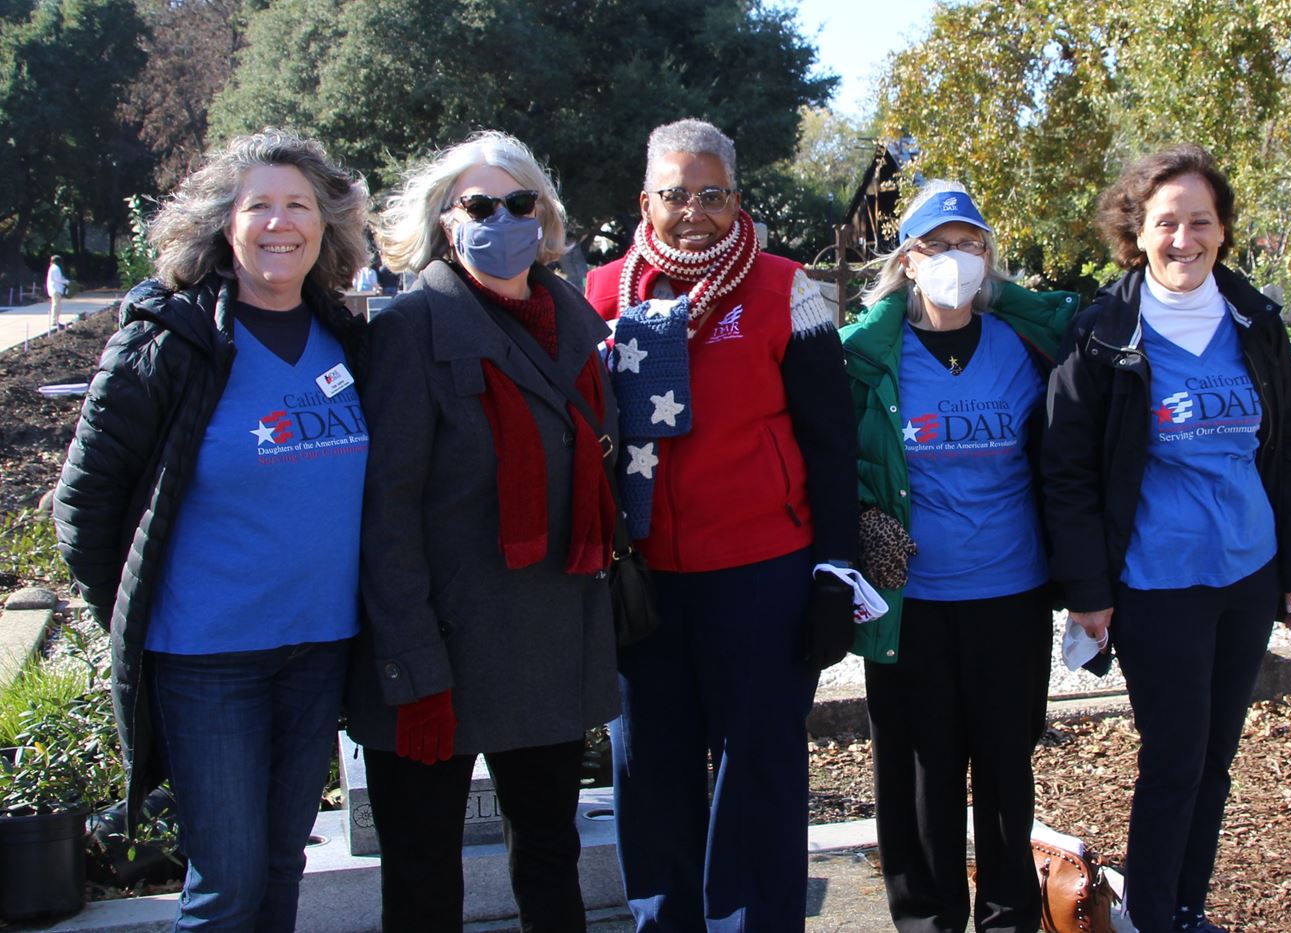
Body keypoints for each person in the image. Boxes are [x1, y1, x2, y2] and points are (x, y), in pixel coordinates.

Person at [52, 129, 371, 931]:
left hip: (318, 649)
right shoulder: (168, 341)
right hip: (207, 659)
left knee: (278, 867)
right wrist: (140, 611)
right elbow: (84, 507)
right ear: (223, 225)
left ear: (325, 224)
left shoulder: (350, 338)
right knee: (225, 885)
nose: (278, 223)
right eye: (256, 204)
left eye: (297, 204)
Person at [585, 118, 859, 932]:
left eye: (712, 194)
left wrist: (833, 573)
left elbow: (831, 443)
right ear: (646, 200)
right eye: (675, 194)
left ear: (737, 198)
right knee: (652, 773)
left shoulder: (783, 286)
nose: (693, 211)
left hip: (762, 575)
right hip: (642, 581)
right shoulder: (600, 295)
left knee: (759, 776)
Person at [1041, 144, 1291, 933]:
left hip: (1249, 574)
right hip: (1156, 583)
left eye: (1201, 221)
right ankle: (1151, 917)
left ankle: (1186, 907)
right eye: (1167, 222)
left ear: (1223, 229)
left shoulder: (1255, 321)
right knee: (1173, 761)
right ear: (1138, 231)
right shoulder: (1103, 333)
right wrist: (1089, 593)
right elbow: (1066, 471)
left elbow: (1288, 449)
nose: (1184, 239)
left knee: (1215, 761)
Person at [345, 130, 619, 933]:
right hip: (440, 655)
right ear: (444, 220)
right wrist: (412, 668)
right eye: (480, 204)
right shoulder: (408, 329)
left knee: (549, 858)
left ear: (545, 216)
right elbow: (384, 515)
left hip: (547, 643)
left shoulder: (576, 320)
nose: (503, 218)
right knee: (426, 880)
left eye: (519, 202)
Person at [840, 181, 1078, 933]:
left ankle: (1009, 920)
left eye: (969, 243)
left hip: (1011, 594)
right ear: (908, 260)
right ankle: (927, 920)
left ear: (988, 257)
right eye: (936, 245)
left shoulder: (1029, 344)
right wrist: (860, 520)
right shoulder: (865, 357)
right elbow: (826, 459)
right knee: (920, 773)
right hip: (910, 603)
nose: (954, 258)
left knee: (1006, 771)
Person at [46, 254, 70, 330]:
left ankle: (56, 320)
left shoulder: (52, 268)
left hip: (55, 289)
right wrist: (67, 282)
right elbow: (58, 279)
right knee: (56, 305)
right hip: (55, 289)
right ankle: (54, 321)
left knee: (56, 305)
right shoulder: (56, 268)